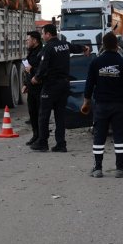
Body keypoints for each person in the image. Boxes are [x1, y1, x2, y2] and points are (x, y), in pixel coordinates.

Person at [81, 32, 123, 178]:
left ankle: (97, 168)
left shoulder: (96, 62)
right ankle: (120, 168)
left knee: (99, 136)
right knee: (119, 136)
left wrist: (86, 102)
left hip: (101, 105)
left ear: (103, 46)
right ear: (117, 46)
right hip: (119, 105)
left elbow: (89, 85)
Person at [29, 23, 89, 152]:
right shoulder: (64, 44)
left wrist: (36, 78)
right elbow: (75, 48)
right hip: (64, 85)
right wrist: (84, 48)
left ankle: (42, 142)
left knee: (43, 115)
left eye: (43, 34)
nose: (42, 36)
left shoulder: (48, 48)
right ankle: (61, 144)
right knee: (60, 116)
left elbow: (43, 66)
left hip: (51, 85)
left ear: (48, 34)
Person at [22, 30, 44, 145]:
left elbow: (42, 70)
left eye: (28, 39)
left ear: (34, 41)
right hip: (31, 87)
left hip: (40, 87)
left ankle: (41, 137)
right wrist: (26, 84)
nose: (26, 41)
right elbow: (28, 70)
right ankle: (35, 135)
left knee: (40, 113)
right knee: (32, 113)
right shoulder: (31, 51)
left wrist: (32, 70)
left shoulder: (41, 52)